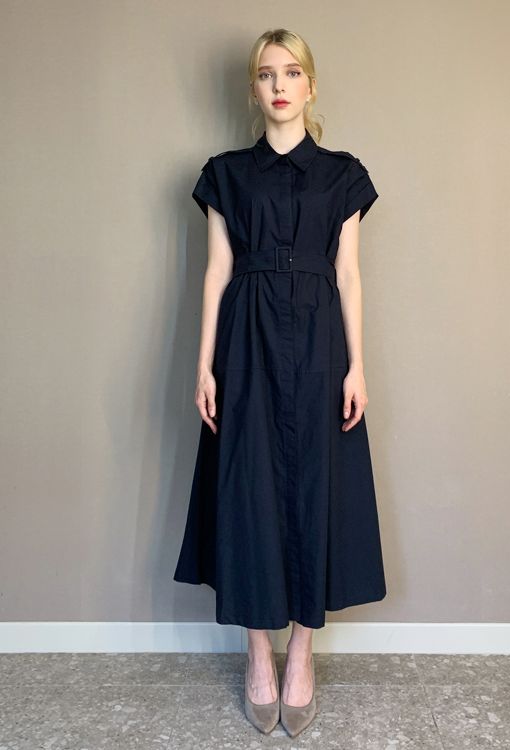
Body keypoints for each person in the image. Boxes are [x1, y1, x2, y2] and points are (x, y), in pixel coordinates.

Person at [174, 28, 387, 738]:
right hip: (247, 339)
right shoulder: (225, 174)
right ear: (253, 89)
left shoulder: (343, 176)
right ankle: (257, 653)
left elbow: (349, 274)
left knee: (314, 487)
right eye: (266, 74)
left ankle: (301, 654)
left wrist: (358, 365)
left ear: (310, 85)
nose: (279, 85)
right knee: (248, 488)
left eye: (292, 73)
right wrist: (203, 364)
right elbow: (216, 272)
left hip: (320, 341)